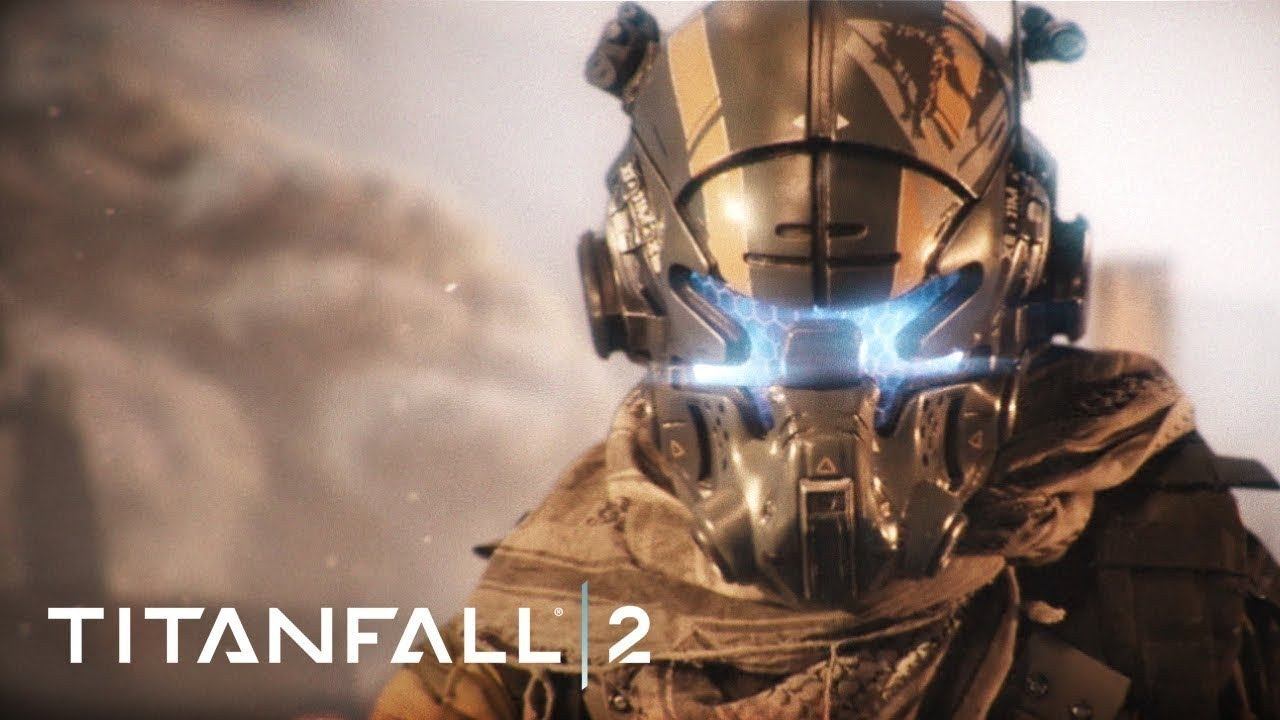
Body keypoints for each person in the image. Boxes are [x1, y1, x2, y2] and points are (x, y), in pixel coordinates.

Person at [372, 2, 1280, 718]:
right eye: (752, 332)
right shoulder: (540, 622)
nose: (822, 396)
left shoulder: (1164, 555)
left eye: (894, 332)